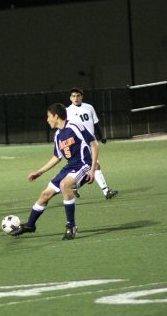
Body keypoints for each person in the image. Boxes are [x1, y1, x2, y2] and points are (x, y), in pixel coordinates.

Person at [9, 102, 98, 240]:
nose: (47, 119)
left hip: (83, 165)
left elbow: (94, 144)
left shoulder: (74, 126)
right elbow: (57, 157)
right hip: (69, 167)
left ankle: (71, 225)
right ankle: (30, 225)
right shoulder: (57, 135)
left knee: (65, 185)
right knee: (45, 194)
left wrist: (92, 169)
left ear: (56, 116)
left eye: (48, 116)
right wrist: (39, 172)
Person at [66, 87, 117, 199]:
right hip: (79, 144)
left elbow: (96, 123)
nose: (76, 98)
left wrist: (101, 136)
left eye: (78, 96)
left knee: (89, 168)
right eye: (73, 96)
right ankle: (106, 191)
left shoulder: (89, 107)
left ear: (82, 97)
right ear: (70, 98)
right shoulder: (67, 111)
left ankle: (74, 187)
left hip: (92, 142)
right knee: (95, 166)